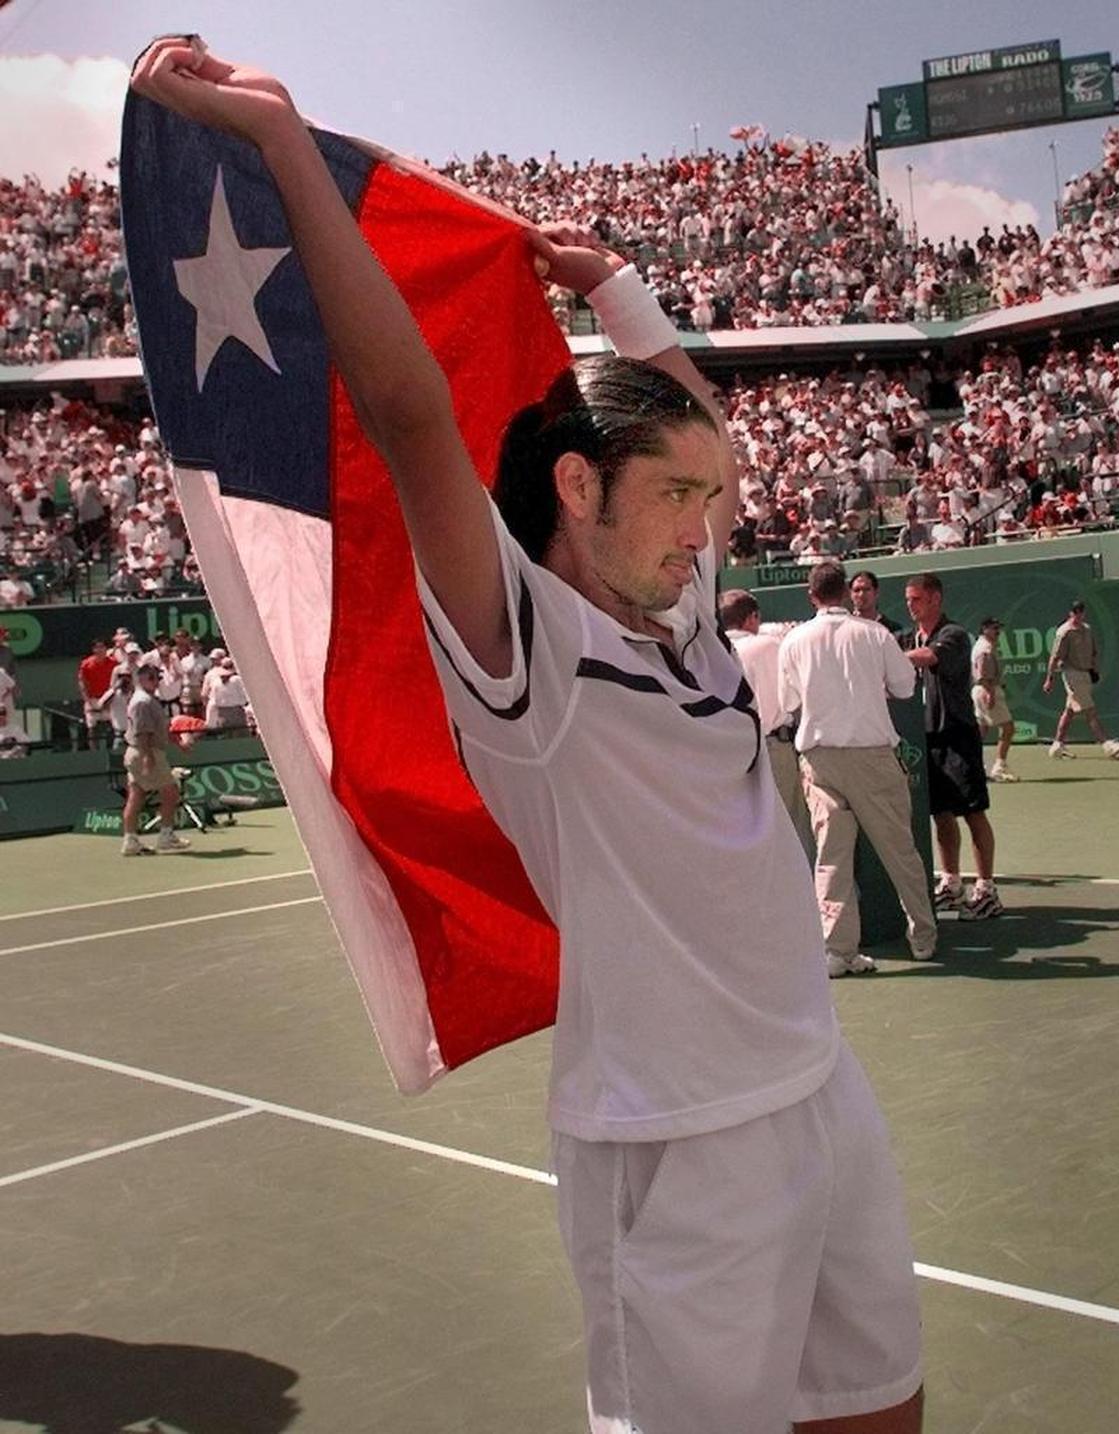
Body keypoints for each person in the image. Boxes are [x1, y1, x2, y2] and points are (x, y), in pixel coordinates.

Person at [132, 39, 924, 1434]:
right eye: (675, 495)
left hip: (818, 1088)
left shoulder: (677, 620)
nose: (707, 523)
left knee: (876, 1410)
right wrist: (285, 149)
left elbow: (707, 438)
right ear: (576, 482)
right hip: (670, 1147)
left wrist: (619, 294)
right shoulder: (525, 653)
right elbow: (406, 410)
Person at [779, 563, 937, 976]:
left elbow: (789, 701)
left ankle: (838, 951)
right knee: (900, 852)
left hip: (821, 760)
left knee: (831, 859)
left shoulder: (794, 641)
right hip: (870, 757)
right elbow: (905, 686)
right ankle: (922, 936)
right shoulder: (875, 634)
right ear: (847, 594)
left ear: (812, 596)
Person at [901, 574, 1001, 920]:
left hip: (958, 734)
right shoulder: (912, 635)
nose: (910, 605)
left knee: (973, 812)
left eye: (916, 599)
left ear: (935, 599)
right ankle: (952, 883)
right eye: (908, 599)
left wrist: (891, 657)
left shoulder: (953, 634)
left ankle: (987, 889)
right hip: (928, 737)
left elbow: (927, 657)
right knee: (940, 813)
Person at [718, 587, 811, 853]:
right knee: (793, 828)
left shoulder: (714, 650)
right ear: (751, 618)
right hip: (773, 745)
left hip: (731, 751)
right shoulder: (770, 644)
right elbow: (796, 696)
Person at [121, 659, 192, 856]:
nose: (156, 681)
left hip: (141, 752)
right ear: (141, 679)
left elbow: (161, 727)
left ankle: (130, 841)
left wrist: (179, 743)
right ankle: (166, 836)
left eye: (157, 678)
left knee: (136, 796)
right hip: (146, 751)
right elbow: (143, 733)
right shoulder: (142, 702)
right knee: (170, 792)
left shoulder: (149, 700)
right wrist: (147, 757)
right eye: (151, 678)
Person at [1044, 601, 1119, 759]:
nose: (1079, 615)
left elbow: (1094, 652)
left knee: (1069, 712)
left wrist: (1094, 670)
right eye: (1076, 612)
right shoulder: (1064, 632)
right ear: (1070, 613)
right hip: (1071, 674)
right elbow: (1055, 657)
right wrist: (1049, 679)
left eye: (1081, 611)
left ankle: (1057, 746)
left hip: (1085, 674)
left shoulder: (1087, 629)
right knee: (1090, 711)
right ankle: (1107, 745)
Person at [971, 617, 1019, 781]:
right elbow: (984, 676)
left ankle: (973, 766)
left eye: (999, 628)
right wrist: (990, 693)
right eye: (994, 628)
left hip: (983, 690)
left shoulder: (986, 646)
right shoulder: (985, 649)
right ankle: (999, 767)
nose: (998, 631)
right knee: (1008, 728)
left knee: (981, 730)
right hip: (987, 690)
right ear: (984, 629)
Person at [850, 569, 900, 635]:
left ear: (876, 592)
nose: (861, 594)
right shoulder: (844, 627)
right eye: (857, 590)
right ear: (850, 594)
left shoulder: (892, 629)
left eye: (866, 589)